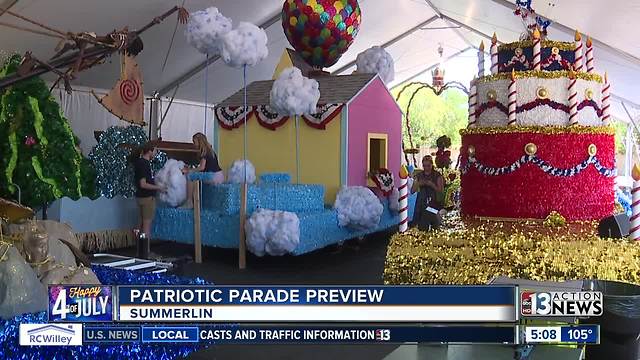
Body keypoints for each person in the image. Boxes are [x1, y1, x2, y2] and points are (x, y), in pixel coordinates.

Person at [132, 142, 166, 258]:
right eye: (155, 150)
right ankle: (145, 252)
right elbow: (143, 184)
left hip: (140, 197)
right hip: (147, 198)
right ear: (150, 151)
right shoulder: (144, 164)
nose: (156, 153)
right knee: (146, 227)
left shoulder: (139, 162)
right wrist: (159, 187)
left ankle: (139, 251)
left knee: (140, 225)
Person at [181, 133, 224, 208]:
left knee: (190, 176)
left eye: (195, 142)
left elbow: (202, 168)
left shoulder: (204, 152)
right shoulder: (210, 151)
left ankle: (189, 201)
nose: (194, 144)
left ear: (200, 141)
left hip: (212, 176)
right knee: (196, 175)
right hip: (219, 175)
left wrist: (189, 170)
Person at [411, 155, 445, 230]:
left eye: (428, 166)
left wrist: (431, 184)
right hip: (421, 203)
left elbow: (441, 191)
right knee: (422, 225)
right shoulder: (419, 175)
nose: (426, 168)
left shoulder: (437, 175)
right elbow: (412, 191)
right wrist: (419, 184)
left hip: (433, 203)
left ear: (432, 165)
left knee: (435, 224)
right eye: (424, 166)